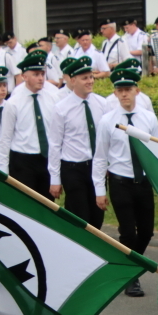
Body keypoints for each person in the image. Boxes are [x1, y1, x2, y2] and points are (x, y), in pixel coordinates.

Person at [92, 68, 158, 297]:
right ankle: (132, 279)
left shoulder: (148, 118)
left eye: (128, 89)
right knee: (128, 233)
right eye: (120, 90)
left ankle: (129, 267)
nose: (124, 94)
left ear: (137, 91)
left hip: (143, 182)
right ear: (115, 93)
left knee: (147, 232)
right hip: (120, 182)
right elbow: (100, 157)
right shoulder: (107, 121)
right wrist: (99, 190)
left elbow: (157, 154)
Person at [48, 57, 106, 230]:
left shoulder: (102, 104)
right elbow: (54, 144)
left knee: (97, 217)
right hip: (73, 168)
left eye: (91, 77)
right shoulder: (61, 108)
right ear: (73, 81)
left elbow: (106, 139)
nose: (90, 81)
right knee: (80, 216)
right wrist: (55, 178)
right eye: (84, 78)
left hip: (96, 167)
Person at [0, 50, 58, 197]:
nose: (41, 78)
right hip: (23, 160)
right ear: (24, 76)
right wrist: (3, 171)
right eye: (36, 75)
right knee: (26, 201)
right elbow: (5, 138)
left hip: (46, 158)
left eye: (42, 74)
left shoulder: (52, 97)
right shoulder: (14, 102)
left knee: (47, 202)